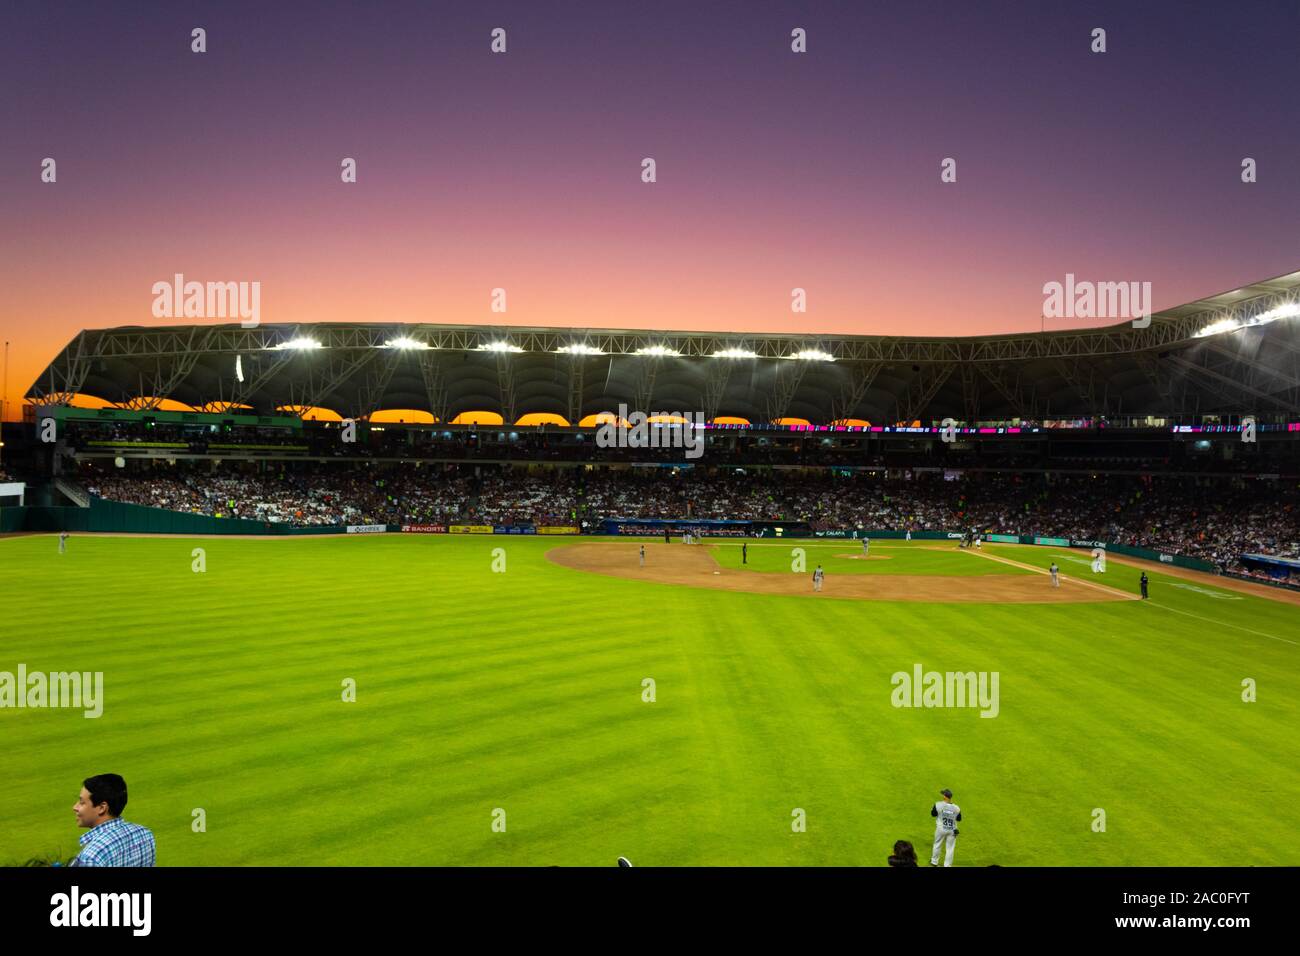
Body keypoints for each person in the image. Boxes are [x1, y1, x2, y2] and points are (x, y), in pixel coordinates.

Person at [71, 774, 155, 867]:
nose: (75, 807)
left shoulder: (91, 857)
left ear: (102, 808)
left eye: (82, 802)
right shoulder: (145, 834)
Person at [930, 788, 961, 867]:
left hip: (941, 829)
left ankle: (934, 862)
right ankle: (947, 865)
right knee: (950, 849)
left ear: (944, 796)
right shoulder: (957, 808)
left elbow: (933, 814)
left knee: (937, 844)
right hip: (952, 830)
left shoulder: (938, 804)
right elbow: (959, 819)